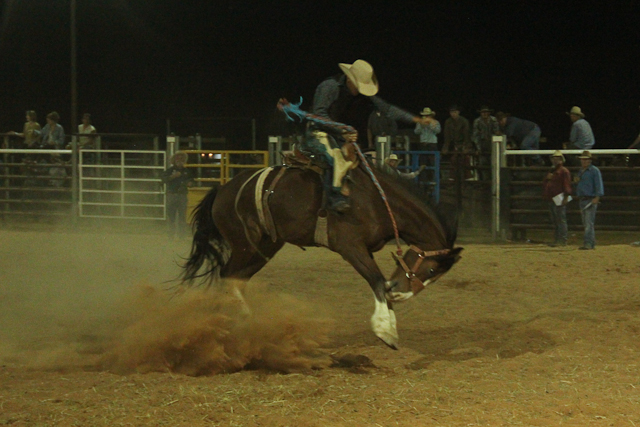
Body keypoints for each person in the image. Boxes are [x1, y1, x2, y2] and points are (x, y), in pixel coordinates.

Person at [303, 59, 428, 212]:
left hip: (337, 135)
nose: (361, 91)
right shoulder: (330, 86)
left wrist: (415, 119)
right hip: (317, 132)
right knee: (336, 157)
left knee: (360, 161)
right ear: (350, 79)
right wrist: (342, 130)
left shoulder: (357, 93)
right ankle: (335, 199)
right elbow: (318, 114)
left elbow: (387, 109)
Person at [575, 151, 604, 250]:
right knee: (587, 223)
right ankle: (590, 242)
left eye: (585, 159)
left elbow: (598, 184)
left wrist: (597, 197)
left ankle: (588, 243)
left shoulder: (594, 171)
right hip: (583, 198)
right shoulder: (582, 171)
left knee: (588, 223)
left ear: (590, 160)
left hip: (589, 198)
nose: (584, 161)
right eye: (583, 159)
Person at [162, 152, 194, 239]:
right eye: (178, 159)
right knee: (171, 216)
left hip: (182, 195)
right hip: (172, 195)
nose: (180, 161)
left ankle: (181, 236)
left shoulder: (187, 171)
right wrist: (173, 176)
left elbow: (191, 181)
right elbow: (164, 180)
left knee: (182, 217)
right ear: (174, 161)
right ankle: (170, 235)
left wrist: (190, 183)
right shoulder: (169, 171)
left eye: (182, 159)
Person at [543, 151, 572, 247]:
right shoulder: (556, 171)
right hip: (553, 198)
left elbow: (567, 185)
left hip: (558, 198)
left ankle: (562, 239)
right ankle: (559, 239)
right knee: (557, 220)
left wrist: (566, 197)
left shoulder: (563, 171)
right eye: (554, 158)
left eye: (557, 158)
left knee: (560, 220)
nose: (555, 160)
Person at [442, 105, 471, 180]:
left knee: (466, 159)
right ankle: (452, 177)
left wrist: (466, 147)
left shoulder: (464, 121)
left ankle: (468, 177)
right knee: (453, 160)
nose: (453, 114)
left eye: (454, 112)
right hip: (453, 144)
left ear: (458, 112)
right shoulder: (448, 122)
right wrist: (445, 147)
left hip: (463, 143)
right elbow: (447, 136)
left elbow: (466, 135)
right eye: (451, 112)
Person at [472, 106, 499, 180]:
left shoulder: (493, 120)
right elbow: (476, 135)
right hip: (482, 143)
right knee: (483, 164)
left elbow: (496, 132)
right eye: (483, 112)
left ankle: (494, 181)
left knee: (494, 163)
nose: (484, 114)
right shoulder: (477, 121)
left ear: (489, 113)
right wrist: (478, 148)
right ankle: (485, 181)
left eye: (486, 112)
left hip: (492, 144)